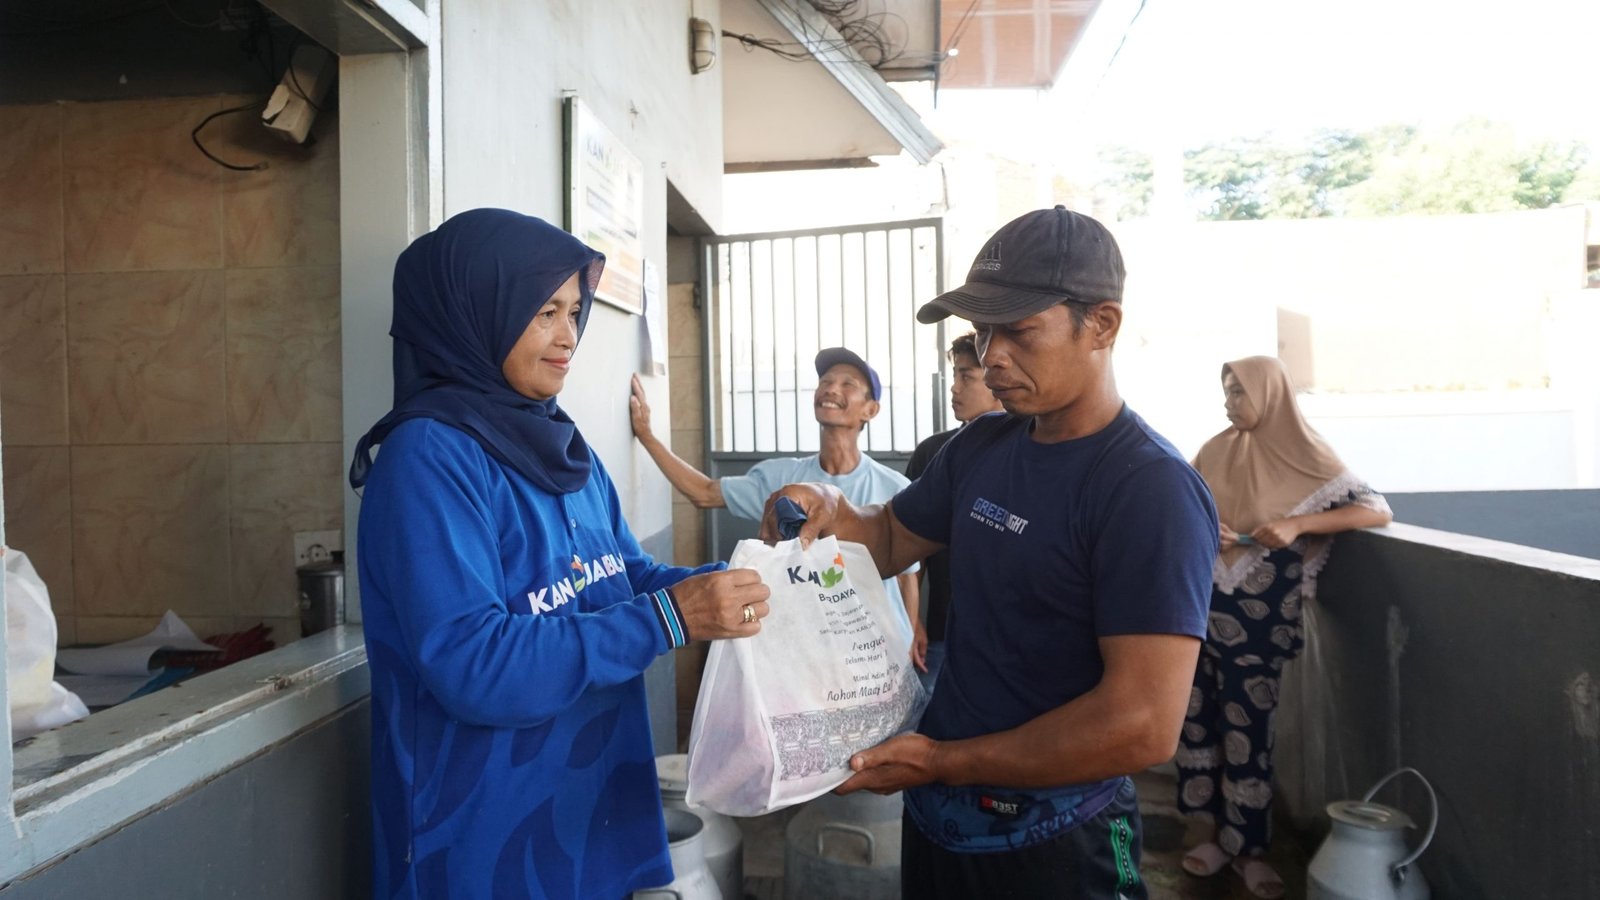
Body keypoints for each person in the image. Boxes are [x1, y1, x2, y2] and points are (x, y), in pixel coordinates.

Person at [757, 206, 1219, 900]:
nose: (992, 354)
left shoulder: (1147, 489)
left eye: (1020, 330)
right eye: (983, 331)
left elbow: (1142, 725)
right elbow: (885, 539)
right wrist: (829, 511)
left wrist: (946, 760)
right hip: (944, 818)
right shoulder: (982, 448)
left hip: (1065, 834)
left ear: (1102, 325)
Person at [348, 209, 771, 900]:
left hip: (585, 809)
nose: (569, 337)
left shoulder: (559, 443)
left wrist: (735, 583)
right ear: (476, 313)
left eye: (576, 312)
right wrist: (667, 618)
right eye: (545, 312)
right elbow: (473, 663)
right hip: (484, 832)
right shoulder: (429, 458)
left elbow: (622, 579)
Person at [1176, 355, 1393, 899]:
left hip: (1260, 621)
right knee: (1195, 722)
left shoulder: (1308, 453)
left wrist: (1297, 522)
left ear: (1269, 396)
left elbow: (1374, 510)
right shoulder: (1214, 450)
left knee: (1249, 731)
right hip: (1201, 610)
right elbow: (1182, 506)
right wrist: (1213, 529)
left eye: (1238, 393)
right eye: (1226, 392)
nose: (1229, 404)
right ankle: (1209, 836)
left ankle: (1248, 849)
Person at [630, 348, 920, 639]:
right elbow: (704, 493)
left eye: (848, 384)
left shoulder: (894, 487)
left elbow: (907, 576)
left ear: (871, 409)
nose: (831, 388)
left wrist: (907, 638)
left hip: (873, 645)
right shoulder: (782, 480)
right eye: (825, 382)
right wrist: (647, 435)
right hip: (805, 643)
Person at [904, 331, 1005, 690]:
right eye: (954, 375)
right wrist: (911, 619)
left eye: (967, 377)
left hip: (1007, 640)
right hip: (942, 634)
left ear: (998, 379)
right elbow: (908, 548)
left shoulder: (1030, 449)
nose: (954, 389)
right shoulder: (935, 452)